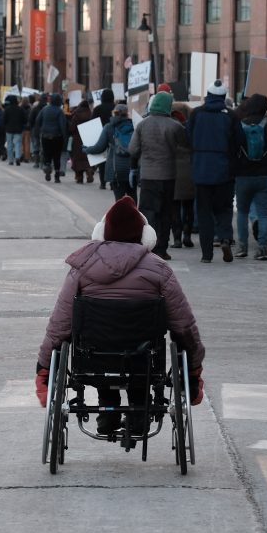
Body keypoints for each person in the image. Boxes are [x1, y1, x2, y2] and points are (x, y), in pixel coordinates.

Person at [35, 195, 206, 437]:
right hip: (145, 359)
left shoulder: (82, 267)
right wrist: (194, 365)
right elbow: (184, 324)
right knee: (140, 355)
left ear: (102, 233)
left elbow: (60, 323)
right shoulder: (159, 269)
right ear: (145, 236)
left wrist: (43, 365)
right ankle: (138, 412)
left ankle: (109, 410)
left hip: (93, 358)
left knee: (100, 348)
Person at [185, 80, 244, 262]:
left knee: (204, 212)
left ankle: (206, 254)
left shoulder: (196, 114)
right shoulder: (231, 116)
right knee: (224, 208)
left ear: (208, 95)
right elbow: (240, 141)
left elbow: (188, 138)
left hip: (201, 171)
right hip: (224, 171)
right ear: (223, 97)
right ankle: (225, 238)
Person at [125, 90, 184, 261]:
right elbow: (185, 145)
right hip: (168, 176)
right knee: (166, 213)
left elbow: (133, 149)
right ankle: (162, 249)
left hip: (148, 176)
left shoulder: (142, 125)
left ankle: (146, 247)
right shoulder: (175, 126)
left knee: (149, 213)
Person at [232, 93, 267, 260]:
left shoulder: (240, 125)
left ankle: (242, 247)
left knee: (242, 212)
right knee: (264, 213)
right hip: (265, 174)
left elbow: (234, 149)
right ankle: (262, 247)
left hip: (243, 174)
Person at [84, 101, 135, 203]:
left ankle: (120, 218)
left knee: (119, 201)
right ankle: (134, 218)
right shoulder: (135, 126)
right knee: (133, 200)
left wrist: (86, 149)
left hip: (116, 169)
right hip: (132, 169)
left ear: (114, 113)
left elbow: (99, 147)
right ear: (127, 114)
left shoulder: (109, 127)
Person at [169, 105, 197, 252]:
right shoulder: (191, 131)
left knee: (174, 208)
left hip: (173, 173)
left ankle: (177, 238)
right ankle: (187, 236)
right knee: (188, 207)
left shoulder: (170, 129)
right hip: (190, 173)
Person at [38, 93, 69, 182]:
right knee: (56, 155)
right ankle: (57, 175)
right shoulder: (60, 111)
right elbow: (62, 125)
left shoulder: (44, 109)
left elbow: (38, 120)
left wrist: (41, 130)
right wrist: (64, 136)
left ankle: (47, 168)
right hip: (57, 137)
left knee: (47, 154)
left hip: (45, 136)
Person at [68, 98, 96, 184]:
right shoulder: (91, 114)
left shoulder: (76, 115)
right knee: (87, 157)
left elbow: (72, 128)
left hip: (77, 140)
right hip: (88, 138)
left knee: (77, 158)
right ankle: (89, 169)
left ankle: (79, 177)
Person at [4, 95, 28, 165]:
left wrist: (5, 125)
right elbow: (25, 119)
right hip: (18, 129)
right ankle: (17, 157)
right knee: (18, 144)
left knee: (10, 144)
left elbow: (4, 119)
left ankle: (11, 159)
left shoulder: (7, 109)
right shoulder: (20, 109)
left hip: (9, 129)